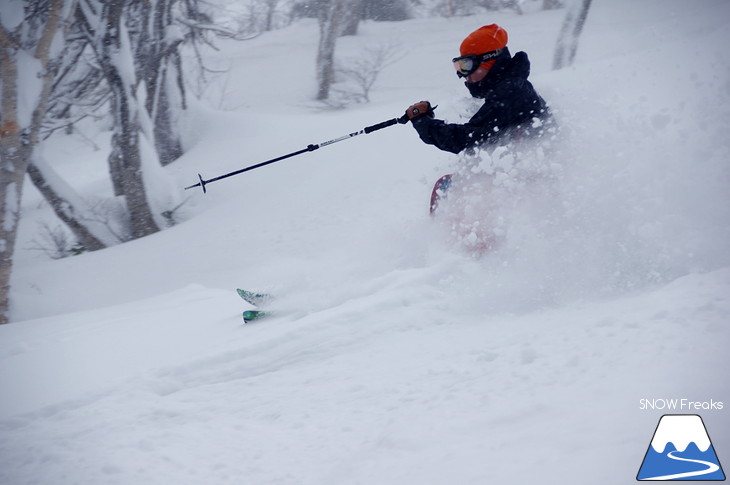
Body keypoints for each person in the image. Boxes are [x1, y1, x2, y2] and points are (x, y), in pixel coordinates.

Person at [405, 24, 550, 155]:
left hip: (535, 176)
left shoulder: (509, 93)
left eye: (467, 65)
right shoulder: (513, 86)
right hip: (528, 167)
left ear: (490, 61)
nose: (463, 74)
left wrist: (422, 122)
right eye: (459, 66)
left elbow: (467, 139)